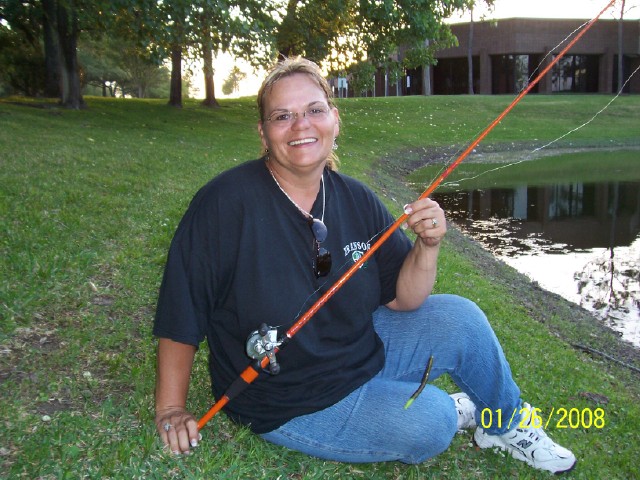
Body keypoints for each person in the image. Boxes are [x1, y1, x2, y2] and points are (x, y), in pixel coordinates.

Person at [153, 57, 576, 474]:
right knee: (432, 420)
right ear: (263, 132)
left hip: (358, 353)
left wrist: (428, 245)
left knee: (461, 319)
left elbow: (403, 299)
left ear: (334, 120)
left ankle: (504, 424)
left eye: (314, 110)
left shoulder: (355, 197)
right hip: (286, 399)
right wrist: (171, 408)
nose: (301, 126)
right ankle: (448, 408)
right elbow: (181, 311)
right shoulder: (224, 204)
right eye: (283, 116)